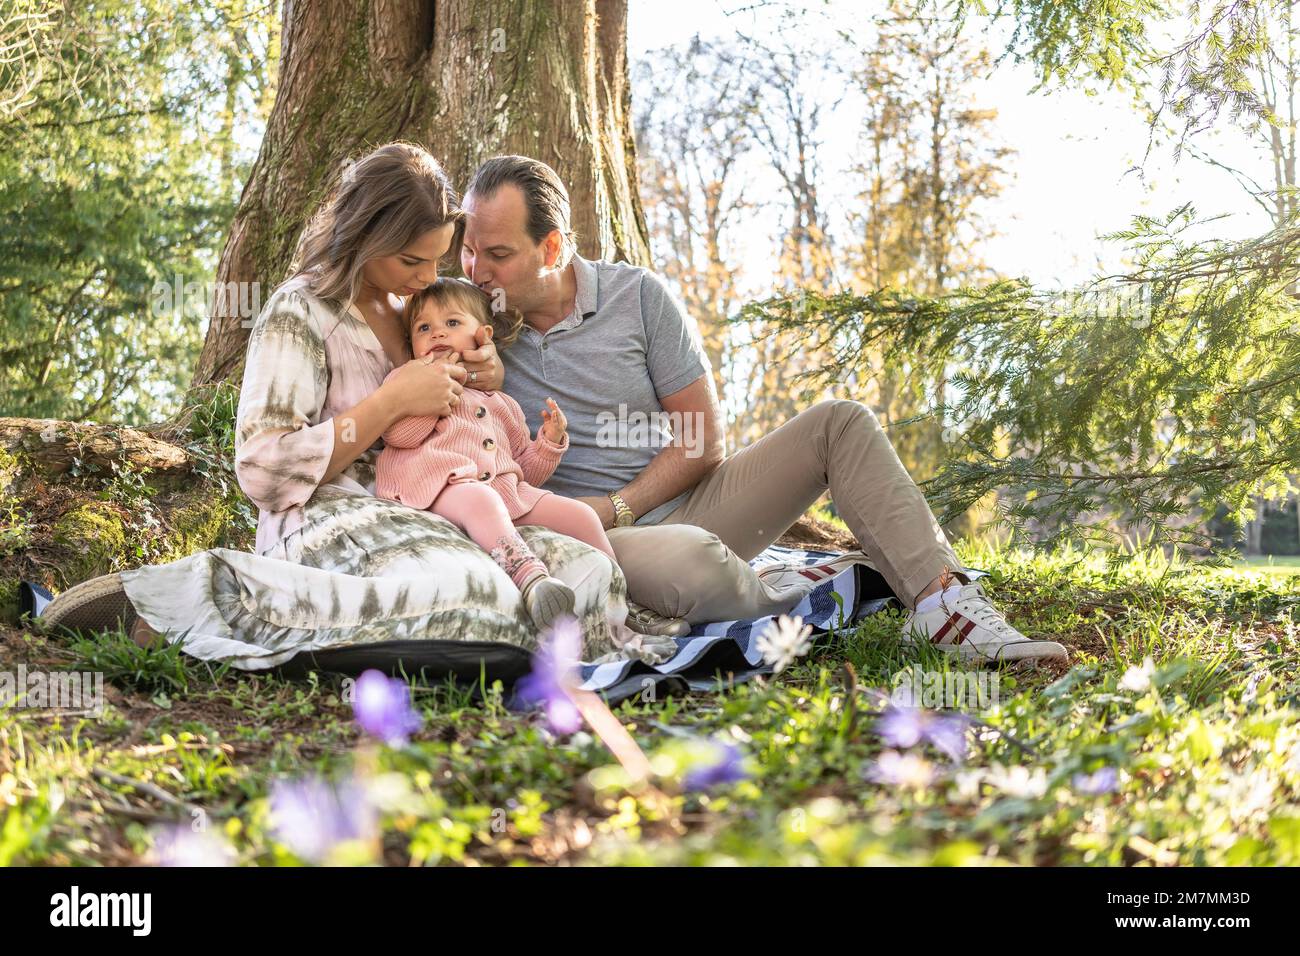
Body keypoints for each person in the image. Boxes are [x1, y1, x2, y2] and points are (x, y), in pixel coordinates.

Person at [38, 143, 653, 667]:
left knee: (586, 578)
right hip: (329, 516)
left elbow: (467, 418)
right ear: (364, 237)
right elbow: (262, 468)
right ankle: (190, 598)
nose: (425, 277)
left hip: (436, 513)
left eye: (437, 259)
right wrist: (387, 404)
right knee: (468, 595)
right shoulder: (301, 311)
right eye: (410, 260)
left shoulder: (417, 312)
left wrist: (484, 376)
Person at [458, 155, 1068, 663]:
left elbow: (701, 439)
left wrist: (619, 506)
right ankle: (802, 603)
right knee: (696, 561)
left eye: (498, 254)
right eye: (467, 250)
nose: (477, 271)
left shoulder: (636, 296)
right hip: (588, 541)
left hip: (680, 506)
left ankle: (943, 606)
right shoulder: (466, 320)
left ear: (554, 247)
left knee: (841, 422)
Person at [375, 278, 622, 630]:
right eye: (423, 327)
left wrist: (549, 443)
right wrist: (433, 397)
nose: (437, 334)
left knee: (581, 514)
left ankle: (621, 602)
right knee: (481, 500)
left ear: (484, 335)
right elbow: (397, 435)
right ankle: (532, 580)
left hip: (503, 494)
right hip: (439, 489)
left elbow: (523, 470)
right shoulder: (407, 379)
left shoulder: (502, 402)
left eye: (452, 323)